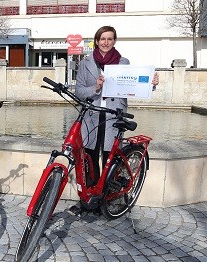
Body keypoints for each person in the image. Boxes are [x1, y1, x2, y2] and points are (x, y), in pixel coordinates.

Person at [72, 26, 159, 214]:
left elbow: (135, 85)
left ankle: (106, 199)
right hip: (92, 116)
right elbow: (78, 91)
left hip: (114, 115)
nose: (106, 42)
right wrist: (95, 87)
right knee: (90, 159)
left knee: (111, 160)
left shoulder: (123, 62)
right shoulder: (86, 62)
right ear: (96, 41)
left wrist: (150, 85)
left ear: (114, 41)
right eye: (102, 39)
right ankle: (90, 200)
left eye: (110, 39)